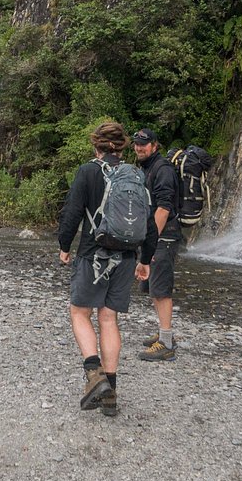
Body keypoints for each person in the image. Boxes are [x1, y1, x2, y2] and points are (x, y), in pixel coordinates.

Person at [57, 121, 156, 417]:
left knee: (79, 312)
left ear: (96, 145)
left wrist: (64, 246)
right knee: (109, 319)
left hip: (93, 255)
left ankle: (94, 373)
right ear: (123, 147)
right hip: (126, 257)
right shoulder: (136, 175)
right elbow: (148, 223)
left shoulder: (88, 171)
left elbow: (73, 212)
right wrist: (145, 260)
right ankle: (110, 390)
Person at [131, 127, 182, 362]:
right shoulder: (148, 167)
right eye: (136, 144)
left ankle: (167, 343)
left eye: (144, 144)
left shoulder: (162, 169)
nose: (139, 148)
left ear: (154, 145)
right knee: (153, 286)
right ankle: (164, 331)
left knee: (161, 289)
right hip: (154, 234)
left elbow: (164, 208)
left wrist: (150, 244)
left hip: (165, 235)